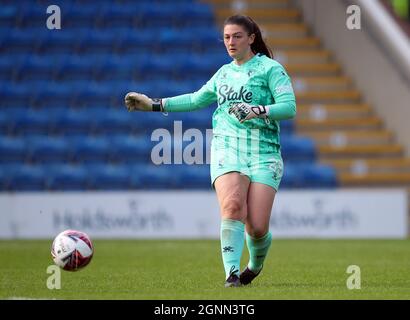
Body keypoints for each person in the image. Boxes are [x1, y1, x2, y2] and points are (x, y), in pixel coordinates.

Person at [125, 15, 296, 287]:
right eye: (227, 37)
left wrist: (258, 110)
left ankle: (255, 264)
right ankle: (231, 274)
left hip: (264, 152)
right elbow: (195, 99)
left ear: (251, 38)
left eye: (237, 36)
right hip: (227, 148)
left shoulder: (270, 69)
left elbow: (289, 107)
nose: (231, 42)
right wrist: (153, 104)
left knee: (258, 227)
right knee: (232, 206)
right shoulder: (223, 73)